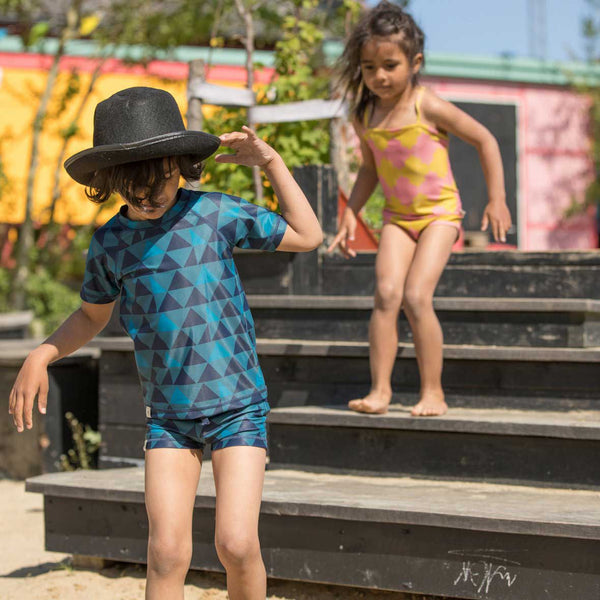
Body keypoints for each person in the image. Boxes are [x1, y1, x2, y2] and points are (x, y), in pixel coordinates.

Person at [8, 86, 322, 600]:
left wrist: (272, 163)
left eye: (158, 181)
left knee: (237, 544)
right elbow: (92, 314)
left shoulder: (216, 214)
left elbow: (308, 236)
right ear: (109, 182)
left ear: (180, 165)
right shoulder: (110, 243)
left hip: (237, 406)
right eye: (132, 188)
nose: (148, 197)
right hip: (169, 418)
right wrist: (44, 351)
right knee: (166, 552)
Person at [328, 1, 511, 417]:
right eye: (369, 67)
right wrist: (350, 213)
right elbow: (371, 169)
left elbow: (485, 140)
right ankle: (380, 390)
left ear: (415, 63)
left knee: (415, 295)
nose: (379, 76)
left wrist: (497, 198)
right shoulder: (365, 113)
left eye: (390, 65)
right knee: (386, 294)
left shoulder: (427, 105)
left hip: (439, 216)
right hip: (397, 218)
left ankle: (434, 392)